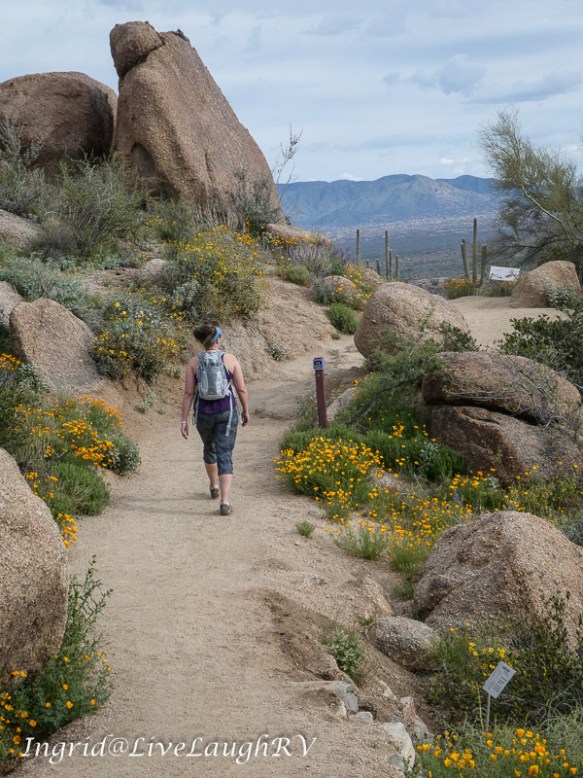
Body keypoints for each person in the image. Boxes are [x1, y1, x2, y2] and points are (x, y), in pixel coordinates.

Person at [181, 324, 249, 515]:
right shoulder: (230, 359)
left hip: (203, 413)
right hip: (226, 412)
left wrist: (184, 420)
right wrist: (245, 410)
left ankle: (213, 485)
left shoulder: (194, 363)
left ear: (202, 342)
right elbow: (241, 389)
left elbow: (188, 393)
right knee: (225, 454)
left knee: (209, 448)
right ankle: (225, 501)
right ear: (217, 339)